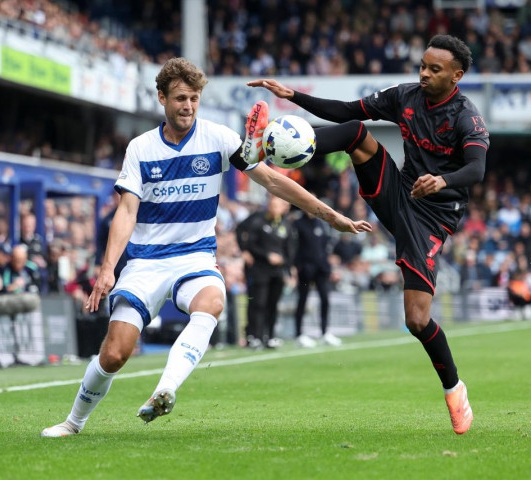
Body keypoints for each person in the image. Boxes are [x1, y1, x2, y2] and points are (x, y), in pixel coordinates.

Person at [41, 57, 371, 437]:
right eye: (180, 98)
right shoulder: (140, 148)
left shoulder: (219, 138)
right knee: (115, 353)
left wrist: (329, 215)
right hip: (145, 261)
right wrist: (107, 270)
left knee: (213, 301)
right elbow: (127, 211)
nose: (188, 106)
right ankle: (74, 422)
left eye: (194, 98)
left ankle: (165, 389)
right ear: (162, 98)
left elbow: (272, 181)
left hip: (194, 257)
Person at [249, 34, 489, 434]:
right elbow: (347, 110)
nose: (424, 73)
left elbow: (477, 169)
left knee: (417, 320)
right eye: (423, 65)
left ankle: (454, 389)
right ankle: (273, 144)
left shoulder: (467, 117)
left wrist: (442, 181)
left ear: (456, 75)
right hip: (400, 193)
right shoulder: (405, 96)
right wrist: (294, 96)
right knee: (356, 132)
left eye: (435, 69)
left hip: (432, 217)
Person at [236, 194, 295, 349]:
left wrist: (288, 267)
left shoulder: (285, 224)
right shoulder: (257, 220)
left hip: (277, 272)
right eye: (272, 205)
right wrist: (246, 251)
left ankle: (270, 336)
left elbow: (290, 249)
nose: (274, 209)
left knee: (272, 304)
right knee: (258, 302)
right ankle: (253, 336)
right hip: (259, 269)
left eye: (278, 206)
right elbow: (249, 241)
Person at [291, 207, 340, 347]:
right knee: (302, 300)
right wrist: (295, 265)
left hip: (321, 268)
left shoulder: (321, 224)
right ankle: (299, 334)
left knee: (325, 299)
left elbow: (325, 247)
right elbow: (293, 247)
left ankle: (325, 332)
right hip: (305, 268)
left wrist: (329, 267)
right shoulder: (297, 224)